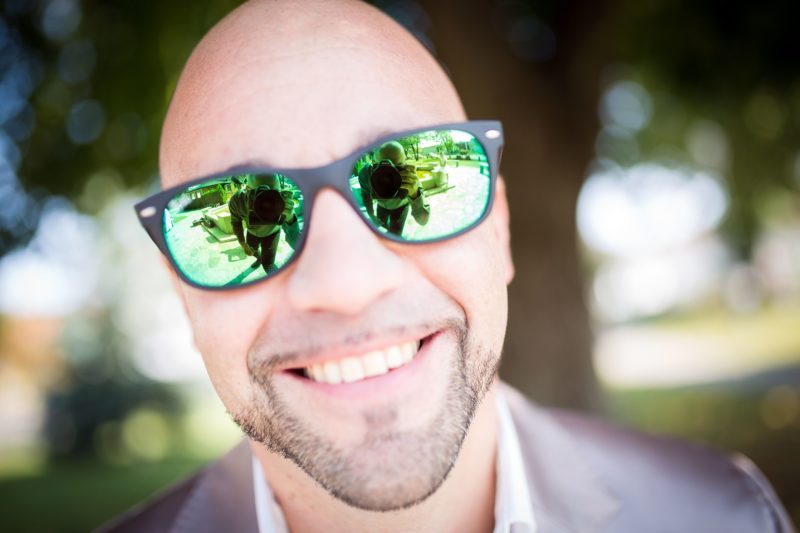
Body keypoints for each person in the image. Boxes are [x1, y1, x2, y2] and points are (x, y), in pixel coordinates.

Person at [105, 1, 796, 532]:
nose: (346, 285)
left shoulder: (726, 514)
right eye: (233, 220)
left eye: (407, 183)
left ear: (498, 228)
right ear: (182, 294)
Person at [228, 174, 299, 273]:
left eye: (273, 192)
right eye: (260, 192)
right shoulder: (237, 200)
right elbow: (236, 222)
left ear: (279, 189)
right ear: (247, 190)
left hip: (272, 233)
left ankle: (266, 263)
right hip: (252, 233)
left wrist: (290, 217)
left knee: (268, 265)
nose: (267, 200)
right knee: (253, 252)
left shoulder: (281, 199)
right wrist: (242, 243)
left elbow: (297, 243)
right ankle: (259, 258)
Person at [358, 141, 429, 235]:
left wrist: (415, 193)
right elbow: (366, 195)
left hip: (401, 206)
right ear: (373, 163)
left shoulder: (408, 176)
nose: (388, 175)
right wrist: (371, 214)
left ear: (405, 163)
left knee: (395, 234)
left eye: (397, 166)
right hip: (381, 206)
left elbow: (422, 221)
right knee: (381, 230)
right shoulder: (366, 173)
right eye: (382, 166)